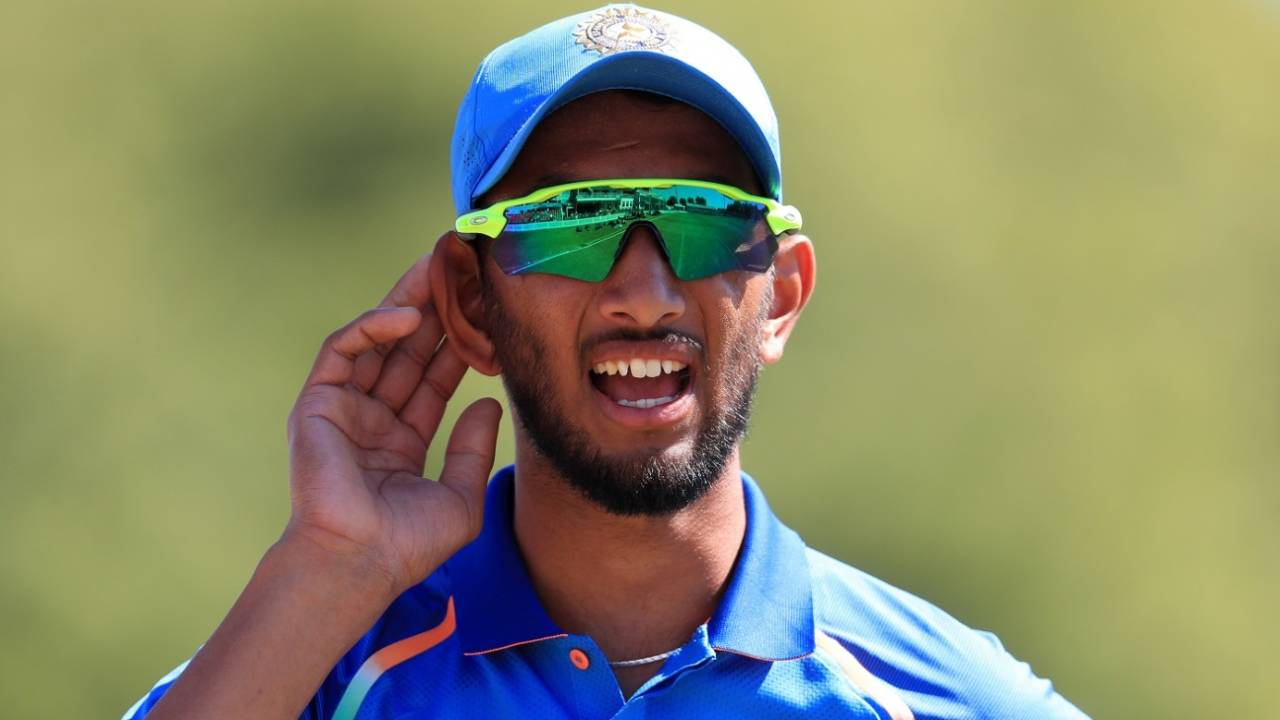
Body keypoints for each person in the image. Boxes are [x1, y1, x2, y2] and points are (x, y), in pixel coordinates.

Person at [123, 5, 1090, 719]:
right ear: (470, 301)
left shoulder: (939, 698)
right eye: (573, 227)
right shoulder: (320, 661)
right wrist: (329, 569)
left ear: (781, 295)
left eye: (701, 221)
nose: (645, 295)